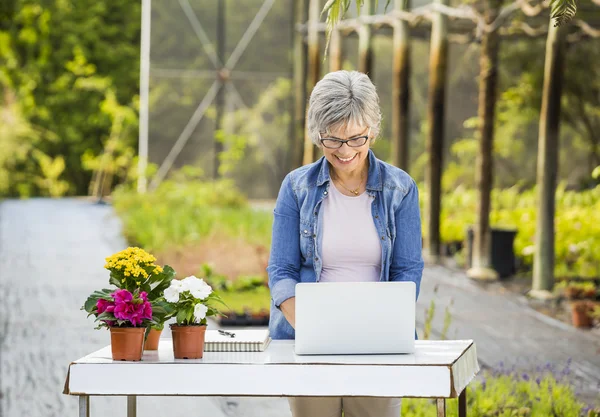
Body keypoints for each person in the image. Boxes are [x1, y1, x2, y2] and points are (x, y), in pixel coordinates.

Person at [267, 70, 424, 417]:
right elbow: (282, 271)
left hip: (379, 343)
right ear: (316, 133)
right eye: (332, 140)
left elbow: (408, 270)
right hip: (308, 341)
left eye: (356, 139)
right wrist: (313, 330)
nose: (345, 151)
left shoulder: (401, 188)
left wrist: (378, 326)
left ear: (373, 129)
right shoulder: (296, 187)